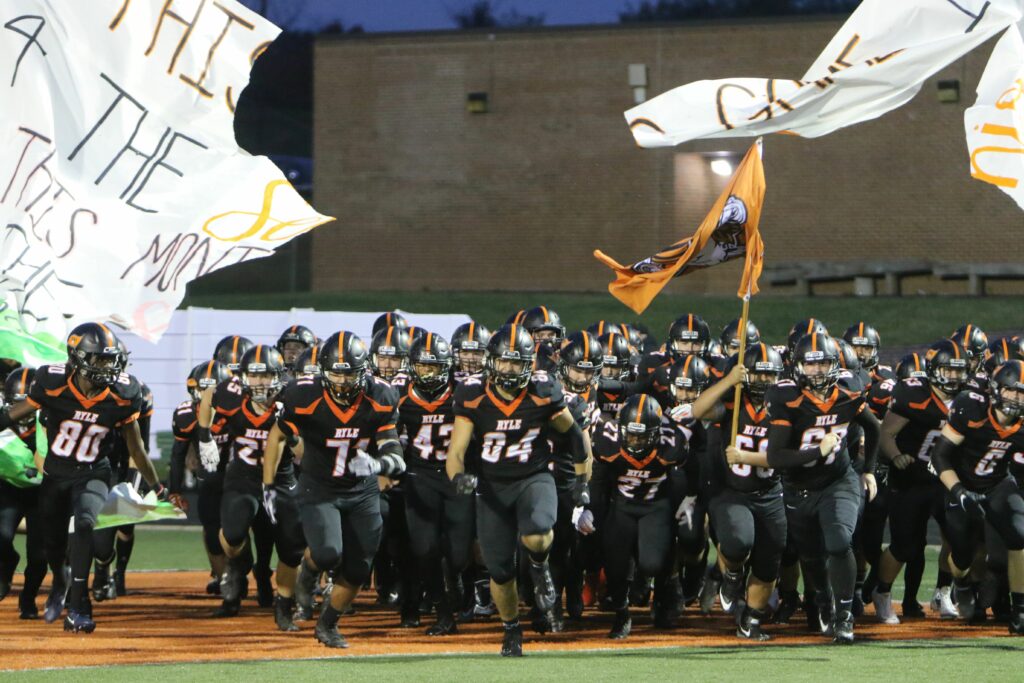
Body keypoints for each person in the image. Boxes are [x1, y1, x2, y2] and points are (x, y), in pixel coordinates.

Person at [0, 323, 170, 633]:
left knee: (85, 523)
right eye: (99, 359)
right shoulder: (52, 382)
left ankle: (78, 606)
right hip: (56, 475)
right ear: (77, 358)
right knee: (53, 547)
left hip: (94, 472)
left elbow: (136, 447)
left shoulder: (122, 394)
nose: (107, 366)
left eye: (110, 359)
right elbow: (12, 415)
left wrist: (157, 486)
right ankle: (60, 580)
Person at [445, 324, 591, 657]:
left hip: (533, 478)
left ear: (529, 364)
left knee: (538, 532)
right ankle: (511, 628)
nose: (510, 370)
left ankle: (539, 566)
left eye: (516, 363)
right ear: (491, 362)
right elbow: (456, 450)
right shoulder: (473, 394)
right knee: (500, 571)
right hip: (492, 488)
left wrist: (582, 483)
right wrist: (458, 478)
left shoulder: (543, 390)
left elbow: (574, 436)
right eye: (504, 362)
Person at [262, 331, 405, 649]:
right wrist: (269, 483)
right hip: (319, 487)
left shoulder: (380, 396)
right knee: (328, 553)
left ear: (364, 371)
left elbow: (395, 454)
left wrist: (378, 464)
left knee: (358, 569)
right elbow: (280, 435)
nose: (342, 381)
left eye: (349, 373)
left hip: (362, 490)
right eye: (336, 373)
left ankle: (327, 624)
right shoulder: (302, 395)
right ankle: (308, 571)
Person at [765, 332, 880, 644]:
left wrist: (869, 471)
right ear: (798, 366)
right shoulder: (786, 397)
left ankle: (844, 616)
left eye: (823, 363)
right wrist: (818, 450)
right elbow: (776, 457)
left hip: (838, 480)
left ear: (834, 365)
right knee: (812, 557)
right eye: (810, 364)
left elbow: (873, 427)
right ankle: (824, 600)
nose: (817, 370)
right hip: (798, 487)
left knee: (840, 541)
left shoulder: (848, 391)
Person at [930, 359, 1024, 634]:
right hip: (961, 484)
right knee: (962, 556)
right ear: (995, 389)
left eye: (1022, 392)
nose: (1016, 398)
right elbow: (940, 456)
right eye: (1011, 390)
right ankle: (961, 584)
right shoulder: (971, 407)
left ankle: (1020, 609)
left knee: (1020, 536)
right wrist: (959, 492)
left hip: (997, 484)